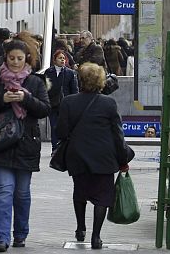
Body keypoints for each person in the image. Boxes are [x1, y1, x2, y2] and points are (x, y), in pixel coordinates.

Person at [0, 39, 51, 252]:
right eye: (11, 58)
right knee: (3, 190)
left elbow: (45, 109)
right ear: (5, 58)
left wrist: (26, 98)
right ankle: (1, 238)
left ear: (26, 58)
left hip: (26, 144)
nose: (15, 62)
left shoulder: (35, 82)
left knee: (22, 193)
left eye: (20, 58)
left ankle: (20, 234)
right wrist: (3, 99)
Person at [57, 62, 132, 249]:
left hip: (78, 156)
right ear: (101, 81)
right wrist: (123, 158)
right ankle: (96, 236)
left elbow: (61, 131)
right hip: (104, 157)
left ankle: (80, 227)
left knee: (80, 192)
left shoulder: (68, 102)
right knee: (102, 196)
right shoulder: (108, 103)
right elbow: (117, 134)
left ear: (80, 80)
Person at [44, 49, 78, 150]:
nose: (62, 60)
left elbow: (74, 90)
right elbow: (45, 88)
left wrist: (74, 104)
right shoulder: (48, 72)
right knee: (54, 126)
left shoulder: (70, 73)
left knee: (64, 127)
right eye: (60, 58)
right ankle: (55, 147)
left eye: (64, 58)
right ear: (54, 60)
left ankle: (64, 147)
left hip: (65, 104)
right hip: (53, 104)